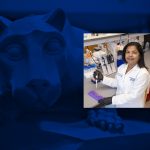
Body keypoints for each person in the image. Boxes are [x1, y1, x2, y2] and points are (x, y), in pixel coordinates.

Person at [93, 42, 150, 108]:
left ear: (140, 55)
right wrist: (103, 78)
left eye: (134, 52)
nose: (130, 55)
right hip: (119, 104)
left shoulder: (143, 73)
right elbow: (118, 82)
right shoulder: (122, 67)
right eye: (127, 52)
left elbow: (134, 96)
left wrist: (112, 100)